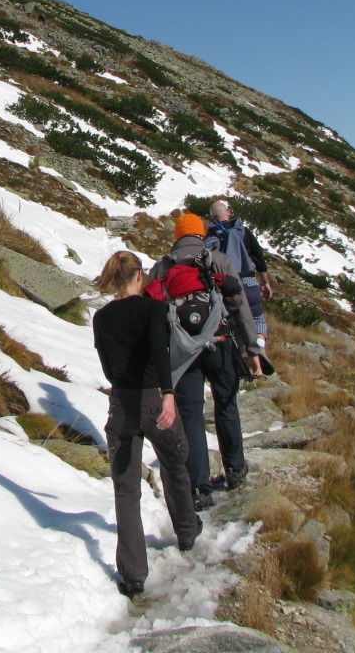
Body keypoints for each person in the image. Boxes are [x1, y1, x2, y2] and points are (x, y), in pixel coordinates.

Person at [93, 250, 201, 597]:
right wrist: (168, 394)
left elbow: (108, 368)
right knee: (175, 463)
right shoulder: (153, 310)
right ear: (140, 276)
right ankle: (186, 530)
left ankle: (134, 573)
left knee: (126, 489)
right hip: (155, 400)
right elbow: (160, 351)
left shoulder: (102, 317)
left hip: (121, 404)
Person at [150, 213, 265, 509]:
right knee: (227, 404)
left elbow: (151, 315)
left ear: (176, 235)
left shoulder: (162, 267)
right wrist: (253, 349)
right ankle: (236, 469)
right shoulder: (219, 261)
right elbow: (240, 306)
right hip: (221, 344)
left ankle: (199, 487)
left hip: (183, 352)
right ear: (202, 233)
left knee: (190, 416)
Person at [206, 199, 273, 346]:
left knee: (230, 321)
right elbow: (259, 259)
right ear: (228, 213)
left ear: (212, 218)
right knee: (257, 319)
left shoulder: (211, 237)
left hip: (225, 284)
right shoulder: (243, 232)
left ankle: (239, 353)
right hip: (248, 281)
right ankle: (259, 350)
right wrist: (265, 282)